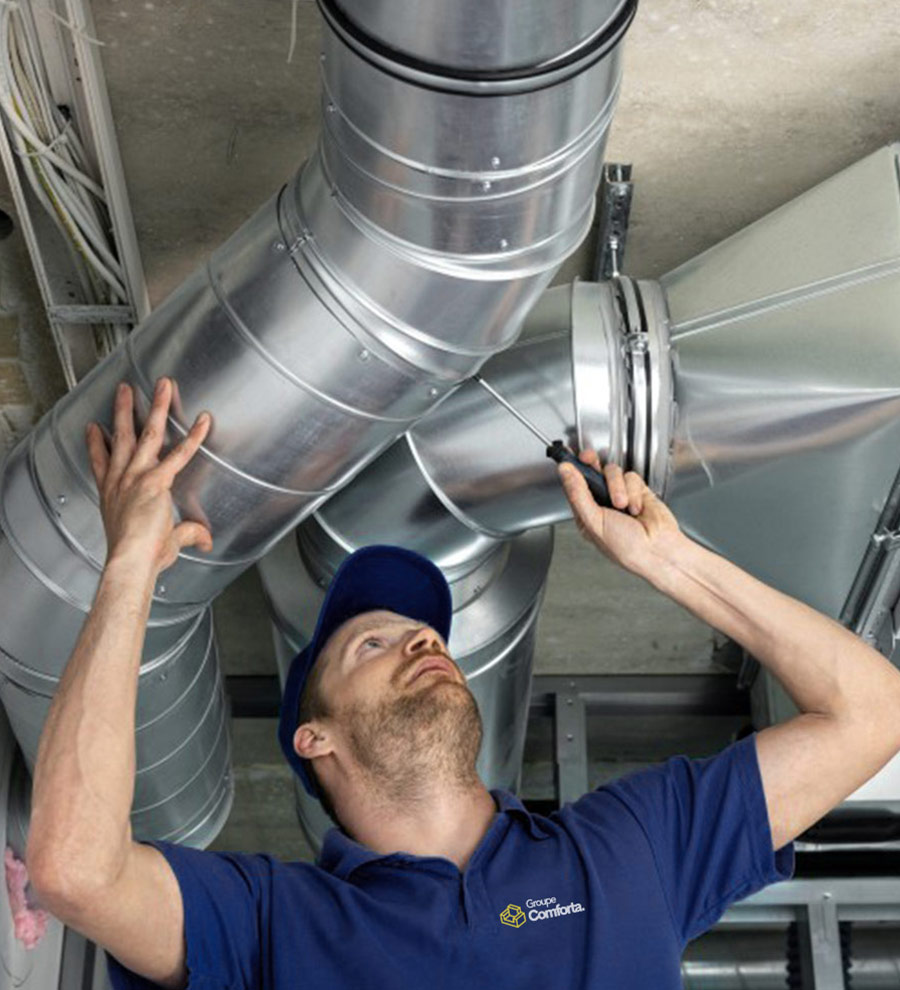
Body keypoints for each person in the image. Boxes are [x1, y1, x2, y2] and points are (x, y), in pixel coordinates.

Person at [24, 377, 900, 990]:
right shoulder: (268, 922)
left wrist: (672, 561)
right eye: (374, 643)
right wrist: (132, 563)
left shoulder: (632, 849)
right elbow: (74, 869)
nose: (419, 643)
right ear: (313, 737)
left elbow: (872, 711)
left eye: (424, 635)